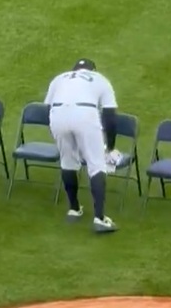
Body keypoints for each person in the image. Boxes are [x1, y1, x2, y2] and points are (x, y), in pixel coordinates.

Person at [43, 57, 120, 233]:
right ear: (93, 70)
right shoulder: (100, 79)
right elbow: (109, 115)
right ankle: (100, 218)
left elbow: (46, 109)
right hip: (85, 114)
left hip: (57, 114)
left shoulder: (60, 78)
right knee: (96, 164)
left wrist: (55, 129)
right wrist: (110, 146)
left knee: (67, 161)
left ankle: (74, 209)